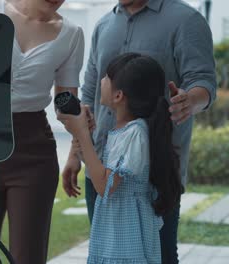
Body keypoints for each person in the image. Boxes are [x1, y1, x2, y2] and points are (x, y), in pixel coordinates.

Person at [61, 0, 217, 263]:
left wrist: (190, 100)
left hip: (156, 172)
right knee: (108, 251)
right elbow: (89, 92)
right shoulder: (103, 25)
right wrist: (75, 154)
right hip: (100, 166)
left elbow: (204, 81)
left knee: (160, 254)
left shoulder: (186, 20)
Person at [0, 0, 85, 263]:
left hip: (33, 149)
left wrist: (78, 149)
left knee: (29, 256)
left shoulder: (71, 34)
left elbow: (65, 103)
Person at [58, 53, 183, 263]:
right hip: (116, 232)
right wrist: (84, 135)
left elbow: (105, 185)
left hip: (126, 239)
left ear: (119, 96)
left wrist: (82, 135)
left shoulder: (135, 133)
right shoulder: (125, 131)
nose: (101, 81)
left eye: (107, 77)